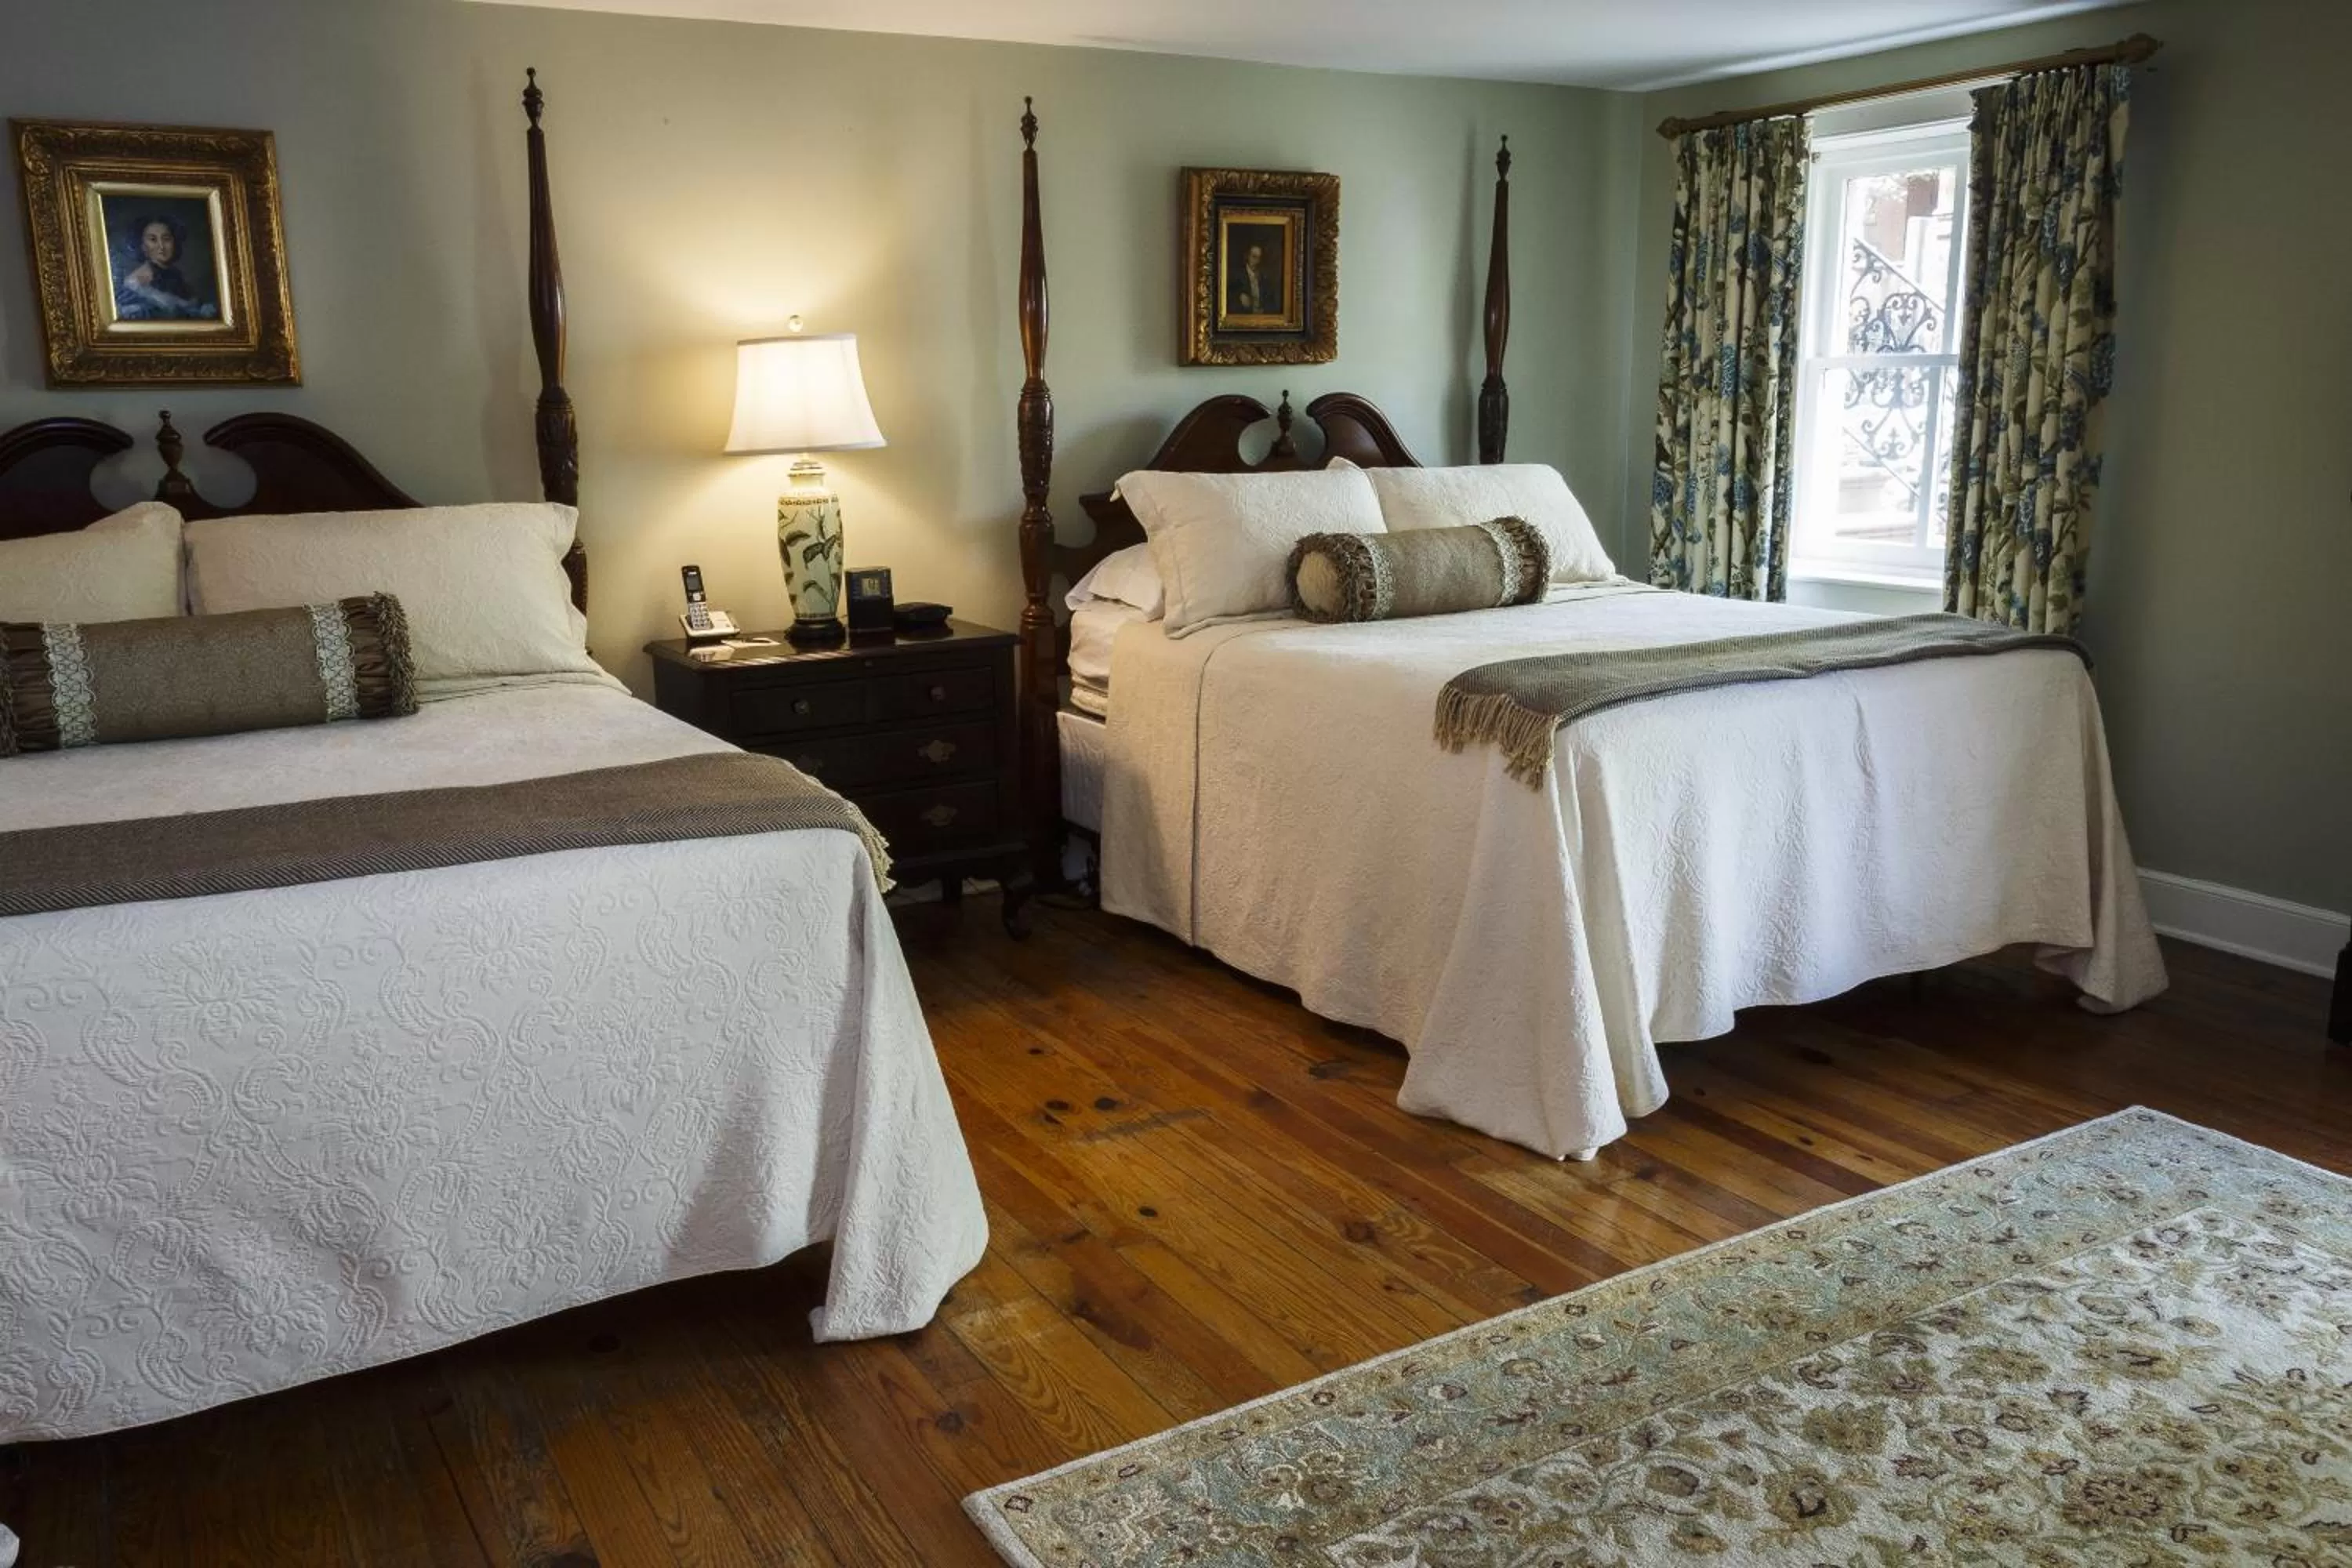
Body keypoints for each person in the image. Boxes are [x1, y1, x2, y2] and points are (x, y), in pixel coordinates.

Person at [115, 215, 218, 321]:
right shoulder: (135, 283)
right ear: (142, 245)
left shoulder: (176, 276)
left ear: (174, 242)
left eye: (166, 239)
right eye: (153, 239)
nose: (161, 246)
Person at [1229, 241, 1275, 317]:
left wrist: (1264, 310)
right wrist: (1239, 297)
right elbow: (1228, 295)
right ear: (1247, 256)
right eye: (1254, 257)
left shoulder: (1264, 278)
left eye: (1259, 258)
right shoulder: (1237, 275)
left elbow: (1271, 301)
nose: (1257, 261)